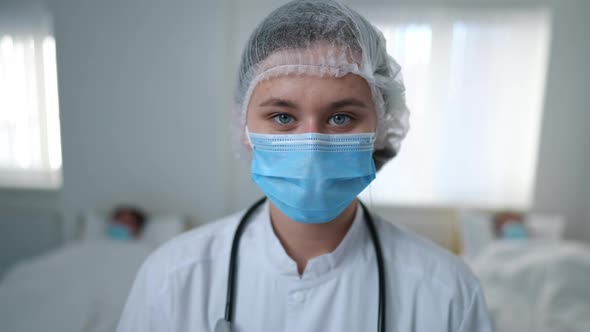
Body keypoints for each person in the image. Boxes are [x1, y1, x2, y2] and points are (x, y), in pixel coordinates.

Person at [117, 1, 493, 331]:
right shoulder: (172, 277)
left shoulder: (446, 292)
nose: (312, 144)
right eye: (282, 117)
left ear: (380, 125)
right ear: (244, 128)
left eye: (341, 118)